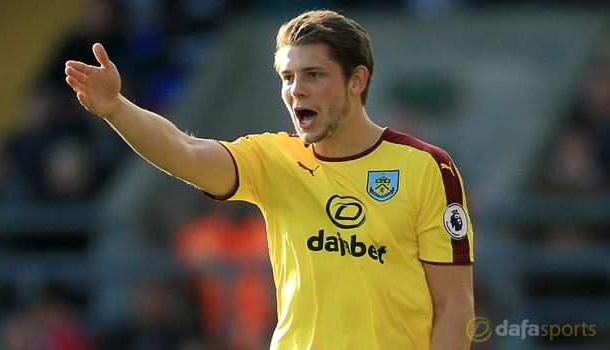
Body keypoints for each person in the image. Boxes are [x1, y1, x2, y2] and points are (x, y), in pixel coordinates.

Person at [65, 9, 475, 349]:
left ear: (357, 80)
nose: (297, 90)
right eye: (288, 77)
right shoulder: (273, 159)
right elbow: (184, 152)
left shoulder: (426, 167)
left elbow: (455, 305)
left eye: (314, 74)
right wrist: (115, 108)